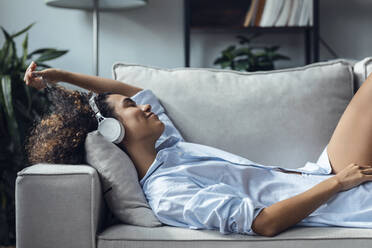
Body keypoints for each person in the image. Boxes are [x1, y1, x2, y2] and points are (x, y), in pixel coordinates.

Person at [24, 61, 372, 237]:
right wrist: (337, 184)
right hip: (332, 197)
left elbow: (134, 90)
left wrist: (63, 76)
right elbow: (263, 223)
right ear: (113, 131)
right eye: (132, 107)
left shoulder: (169, 149)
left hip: (318, 173)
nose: (145, 106)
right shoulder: (169, 194)